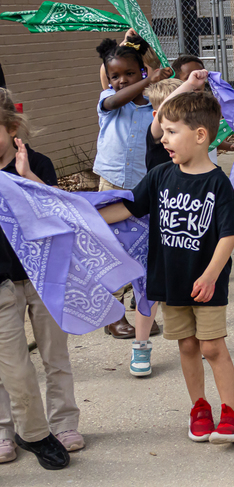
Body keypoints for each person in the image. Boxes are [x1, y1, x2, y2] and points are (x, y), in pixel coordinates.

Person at [100, 92, 234, 445]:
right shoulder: (159, 176)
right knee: (186, 345)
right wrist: (83, 218)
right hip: (170, 279)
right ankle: (199, 408)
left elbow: (229, 234)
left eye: (170, 131)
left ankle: (233, 414)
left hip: (206, 282)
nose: (162, 138)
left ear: (200, 135)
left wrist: (212, 274)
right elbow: (126, 209)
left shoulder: (217, 183)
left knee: (212, 347)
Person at [0, 91, 76, 469]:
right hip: (2, 282)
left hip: (41, 275)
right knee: (8, 363)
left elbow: (56, 213)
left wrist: (27, 176)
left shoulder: (37, 163)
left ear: (12, 129)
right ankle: (5, 430)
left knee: (54, 354)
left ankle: (63, 422)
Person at [94, 37, 173, 339]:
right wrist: (144, 80)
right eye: (115, 75)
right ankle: (113, 315)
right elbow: (116, 98)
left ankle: (143, 311)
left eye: (129, 73)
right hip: (111, 183)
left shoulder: (153, 106)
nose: (120, 80)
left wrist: (153, 76)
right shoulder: (107, 102)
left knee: (142, 248)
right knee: (111, 247)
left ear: (142, 71)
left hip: (142, 188)